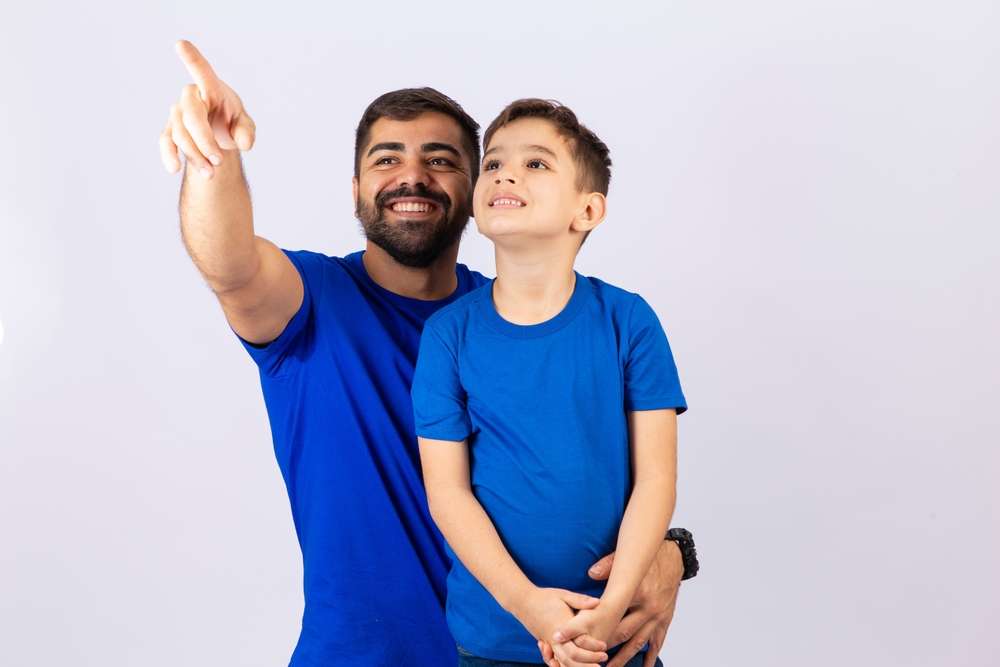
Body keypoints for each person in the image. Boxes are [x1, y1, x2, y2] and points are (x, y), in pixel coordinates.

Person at [159, 40, 696, 667]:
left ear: (471, 190)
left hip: (543, 650)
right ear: (357, 187)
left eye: (440, 160)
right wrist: (211, 162)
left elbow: (601, 476)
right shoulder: (309, 303)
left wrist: (671, 552)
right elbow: (229, 264)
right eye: (388, 158)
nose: (412, 175)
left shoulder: (545, 316)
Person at [412, 100, 686, 667]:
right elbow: (448, 493)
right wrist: (529, 606)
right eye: (492, 164)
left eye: (536, 165)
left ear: (587, 210)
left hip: (615, 634)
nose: (505, 173)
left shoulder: (628, 321)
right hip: (493, 637)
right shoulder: (447, 337)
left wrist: (609, 612)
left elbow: (656, 479)